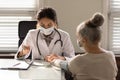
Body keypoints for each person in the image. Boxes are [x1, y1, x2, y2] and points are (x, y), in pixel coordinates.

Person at [53, 12, 118, 80]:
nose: (78, 40)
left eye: (78, 37)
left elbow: (64, 65)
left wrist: (55, 60)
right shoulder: (110, 56)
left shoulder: (79, 60)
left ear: (84, 40)